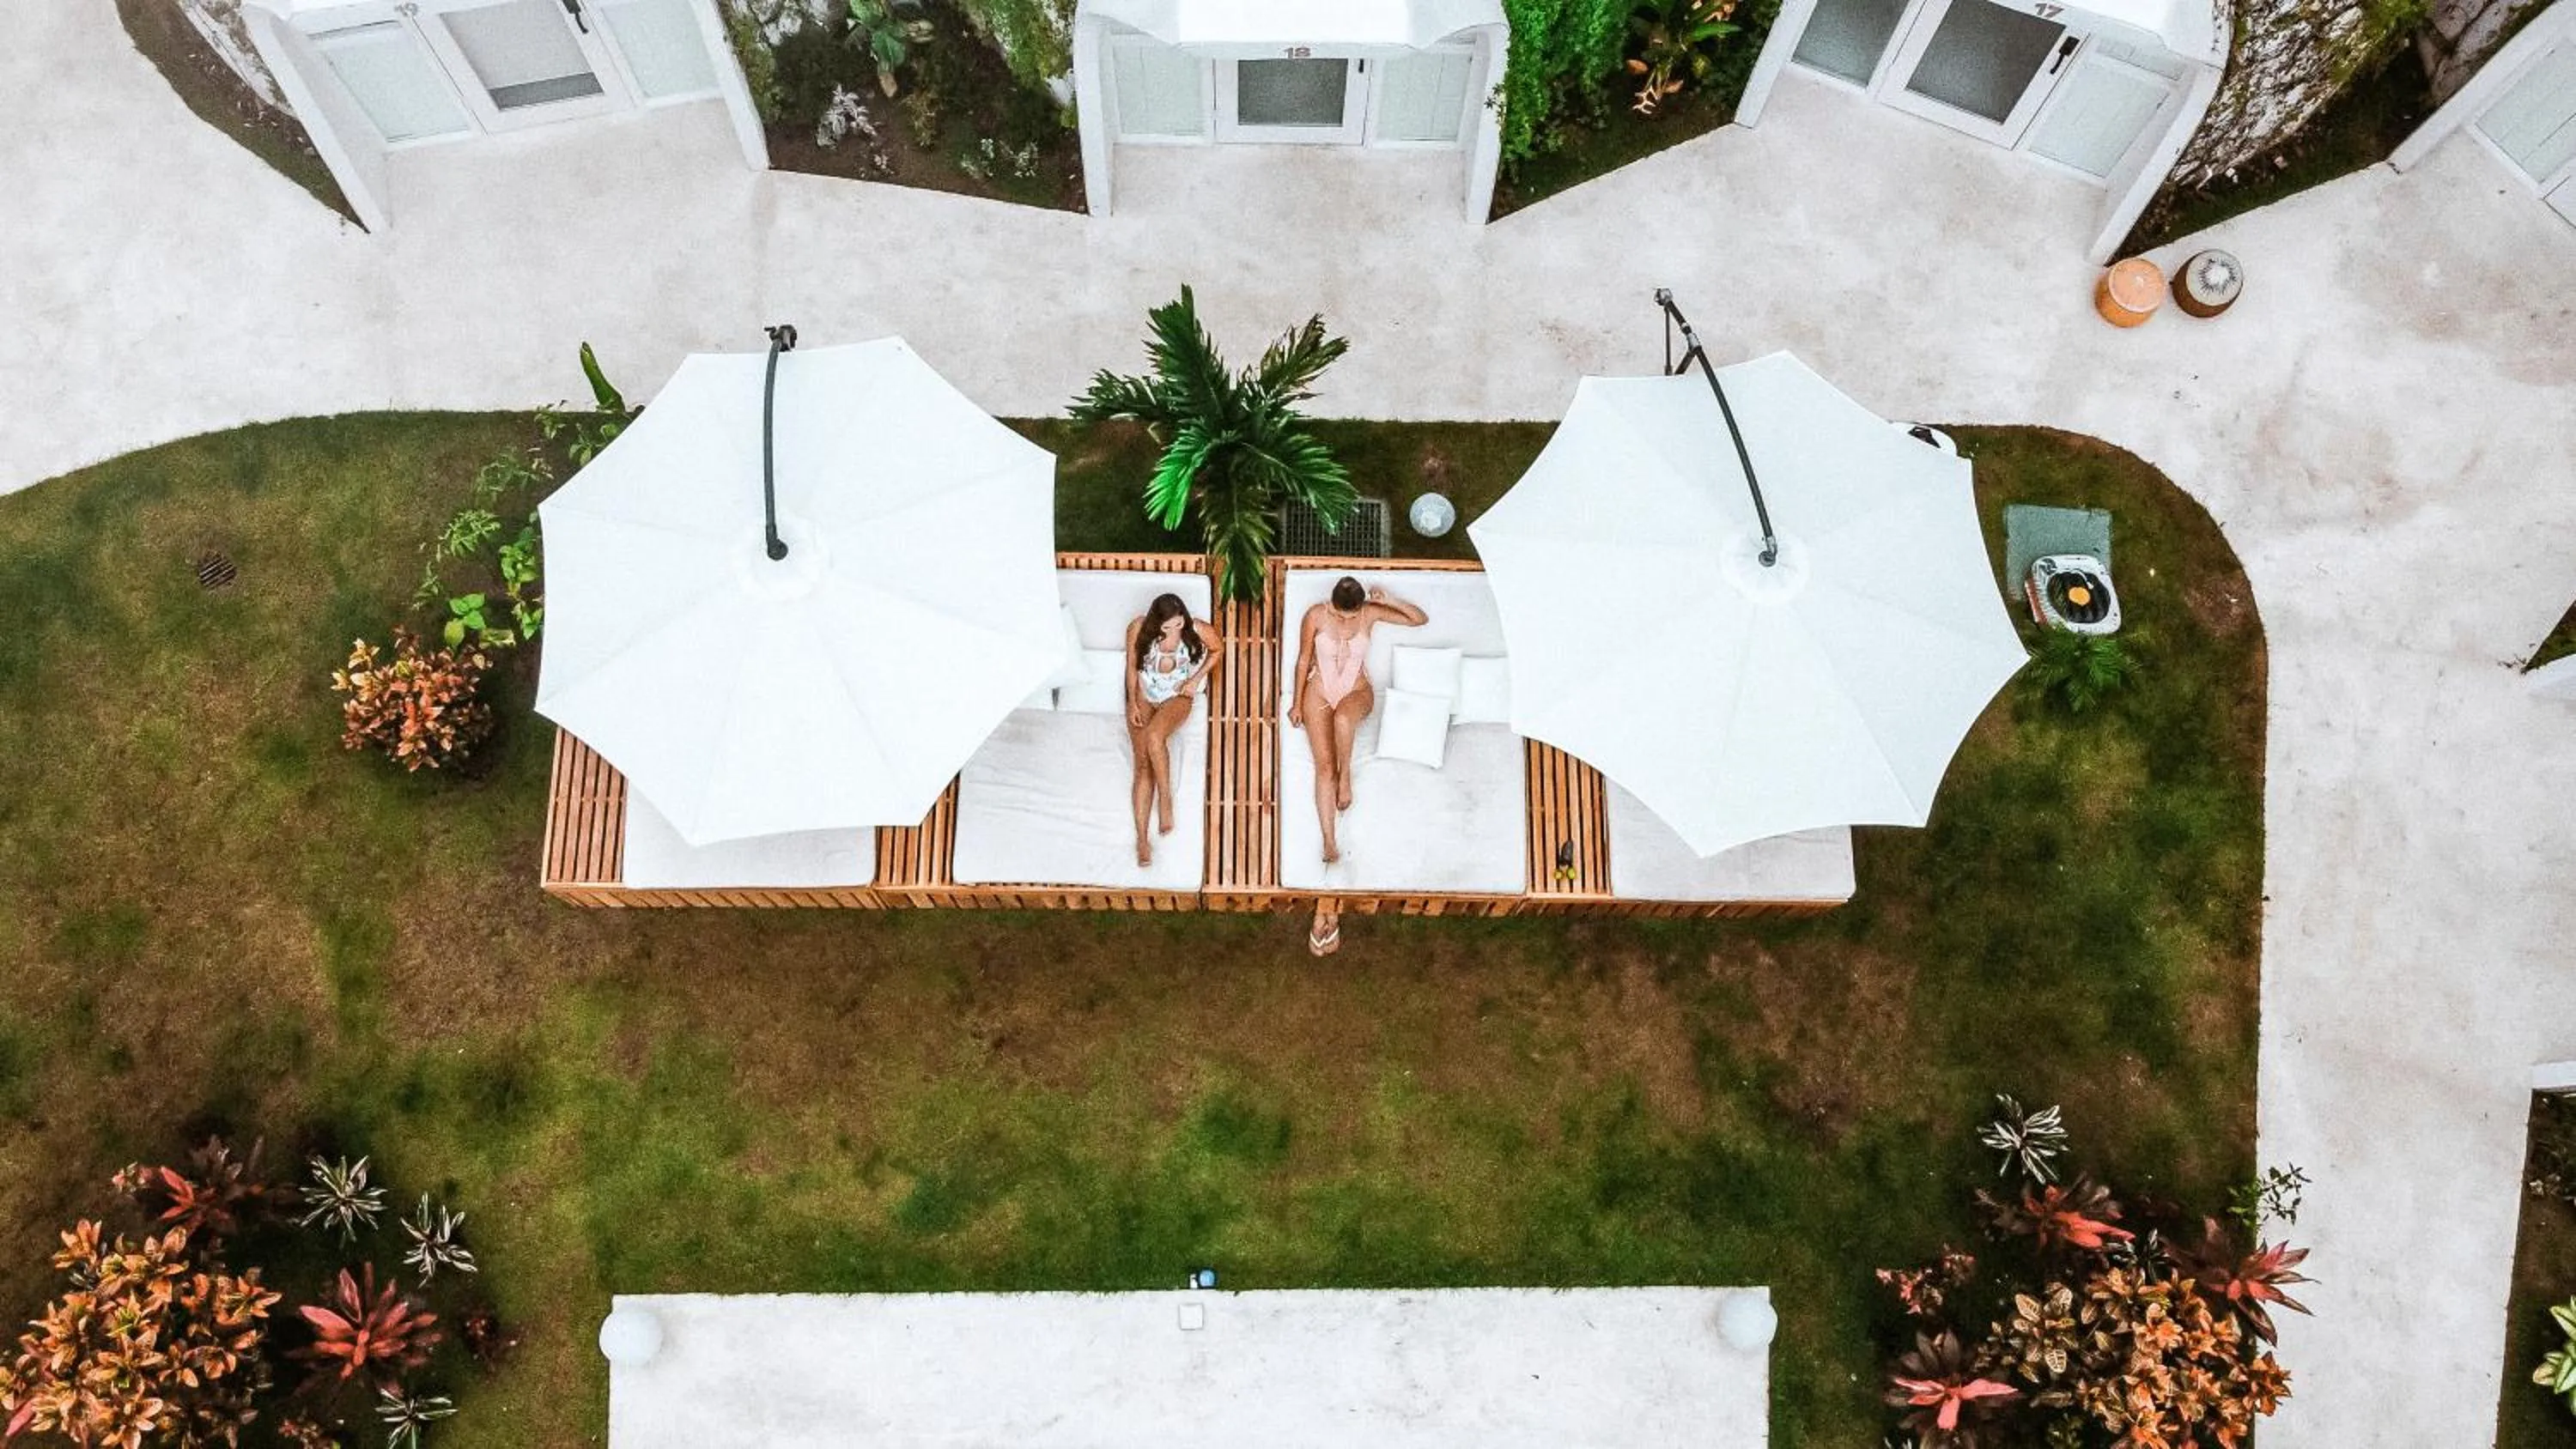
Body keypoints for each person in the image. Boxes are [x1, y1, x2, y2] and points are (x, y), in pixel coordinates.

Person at [1291, 576, 1427, 864]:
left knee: (1343, 719)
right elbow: (1303, 660)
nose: (1345, 621)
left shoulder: (1370, 612)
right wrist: (1296, 704)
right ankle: (1329, 842)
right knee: (1324, 767)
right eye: (1339, 615)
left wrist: (1389, 600)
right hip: (1319, 690)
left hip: (1356, 689)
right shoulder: (1315, 615)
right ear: (1332, 603)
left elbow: (1419, 620)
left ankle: (1346, 778)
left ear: (1360, 607)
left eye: (1350, 616)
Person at [1125, 592, 1221, 867]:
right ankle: (1142, 841)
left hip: (1176, 697)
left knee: (1155, 737)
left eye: (1178, 624)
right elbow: (1131, 667)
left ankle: (1165, 798)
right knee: (1143, 765)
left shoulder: (1197, 629)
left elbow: (1217, 650)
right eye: (1166, 627)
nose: (1173, 631)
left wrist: (1195, 680)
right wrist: (1132, 703)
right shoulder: (1138, 628)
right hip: (1145, 696)